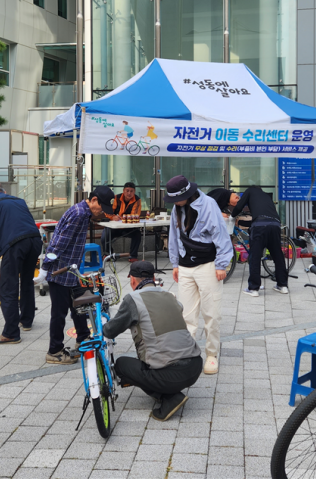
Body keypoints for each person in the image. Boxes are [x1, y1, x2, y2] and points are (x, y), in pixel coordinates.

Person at [103, 261, 202, 421]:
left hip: (171, 375)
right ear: (153, 277)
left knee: (121, 365)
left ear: (132, 281)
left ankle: (170, 398)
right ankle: (169, 390)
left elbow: (110, 331)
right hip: (195, 367)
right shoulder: (170, 296)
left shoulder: (132, 299)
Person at [34, 186, 115, 364]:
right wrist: (45, 267)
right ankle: (54, 351)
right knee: (59, 313)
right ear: (93, 200)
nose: (102, 212)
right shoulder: (79, 214)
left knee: (81, 307)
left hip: (72, 271)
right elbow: (58, 243)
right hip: (60, 272)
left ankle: (83, 339)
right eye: (101, 207)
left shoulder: (84, 213)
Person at [166, 175, 233, 375]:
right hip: (185, 266)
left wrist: (222, 264)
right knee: (186, 315)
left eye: (176, 198)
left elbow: (220, 234)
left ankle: (212, 354)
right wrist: (175, 263)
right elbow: (173, 234)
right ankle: (187, 353)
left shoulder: (209, 204)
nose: (175, 203)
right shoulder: (177, 208)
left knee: (211, 313)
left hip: (208, 265)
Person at [0, 182, 42, 345]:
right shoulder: (19, 200)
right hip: (35, 241)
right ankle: (26, 321)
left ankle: (11, 333)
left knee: (8, 287)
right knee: (27, 281)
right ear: (4, 191)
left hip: (15, 245)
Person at [230, 186, 288, 297]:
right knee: (278, 256)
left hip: (260, 227)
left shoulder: (250, 191)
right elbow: (263, 217)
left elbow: (239, 206)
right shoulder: (266, 196)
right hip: (275, 225)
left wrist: (232, 217)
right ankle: (283, 285)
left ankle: (253, 288)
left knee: (255, 257)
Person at [101, 182, 142, 263]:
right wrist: (113, 217)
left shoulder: (137, 200)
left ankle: (133, 255)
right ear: (123, 191)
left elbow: (135, 214)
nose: (129, 193)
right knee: (105, 236)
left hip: (128, 228)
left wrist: (123, 218)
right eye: (127, 191)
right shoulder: (116, 198)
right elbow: (108, 211)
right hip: (115, 227)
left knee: (137, 234)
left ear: (134, 191)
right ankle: (108, 254)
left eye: (131, 191)